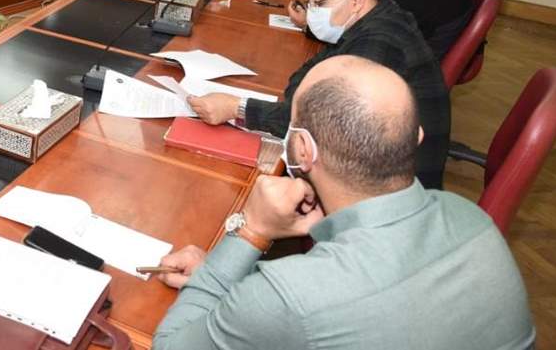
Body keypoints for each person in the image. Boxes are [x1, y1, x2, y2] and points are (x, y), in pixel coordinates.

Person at [155, 56, 535, 350]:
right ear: (416, 136)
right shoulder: (472, 220)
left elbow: (170, 345)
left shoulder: (289, 295)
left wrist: (249, 233)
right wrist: (240, 296)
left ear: (302, 149)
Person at [189, 0, 450, 189]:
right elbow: (300, 82)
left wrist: (237, 107)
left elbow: (317, 125)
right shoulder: (368, 22)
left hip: (391, 188)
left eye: (318, 2)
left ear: (356, 0)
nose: (312, 10)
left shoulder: (379, 43)